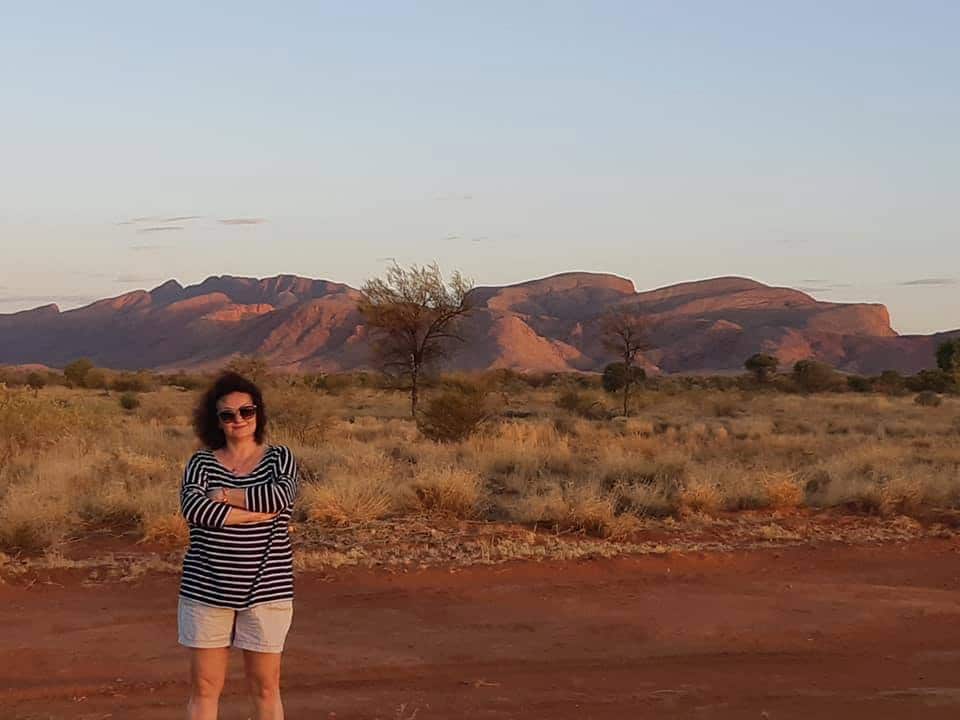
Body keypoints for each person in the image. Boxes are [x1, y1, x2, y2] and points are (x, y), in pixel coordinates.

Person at [177, 371, 299, 720]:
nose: (238, 420)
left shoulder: (279, 458)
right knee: (204, 688)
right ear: (216, 421)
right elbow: (196, 509)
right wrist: (254, 516)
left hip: (267, 589)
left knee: (265, 687)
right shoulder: (201, 462)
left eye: (246, 411)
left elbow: (279, 496)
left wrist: (226, 497)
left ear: (258, 413)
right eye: (228, 414)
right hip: (206, 588)